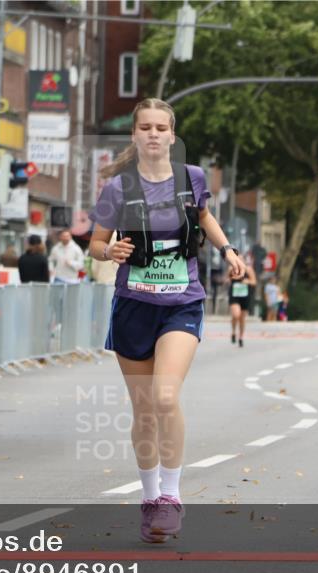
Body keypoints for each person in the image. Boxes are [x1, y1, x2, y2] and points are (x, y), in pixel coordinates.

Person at [88, 97, 247, 543]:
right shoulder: (117, 189)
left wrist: (227, 249)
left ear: (172, 136)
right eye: (146, 127)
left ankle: (172, 498)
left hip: (181, 301)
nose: (154, 134)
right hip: (133, 304)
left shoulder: (192, 178)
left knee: (164, 395)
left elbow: (204, 217)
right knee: (143, 410)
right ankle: (150, 497)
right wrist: (109, 251)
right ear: (135, 135)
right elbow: (96, 243)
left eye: (162, 127)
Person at [226, 253, 258, 347]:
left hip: (245, 296)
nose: (239, 261)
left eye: (241, 259)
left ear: (244, 260)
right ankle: (233, 332)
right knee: (236, 315)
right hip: (234, 295)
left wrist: (247, 281)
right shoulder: (231, 268)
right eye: (237, 259)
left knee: (242, 318)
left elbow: (254, 282)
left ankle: (241, 337)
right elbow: (228, 278)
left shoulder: (249, 269)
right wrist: (232, 275)